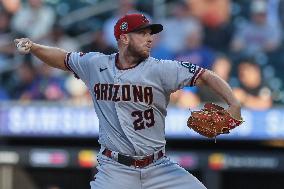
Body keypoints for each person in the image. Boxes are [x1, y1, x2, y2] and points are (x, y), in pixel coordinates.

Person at [14, 13, 242, 189]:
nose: (149, 39)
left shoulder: (162, 69)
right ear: (124, 38)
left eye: (150, 34)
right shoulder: (95, 64)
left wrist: (234, 104)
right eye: (142, 33)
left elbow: (206, 75)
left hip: (159, 167)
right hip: (115, 170)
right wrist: (34, 47)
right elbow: (62, 58)